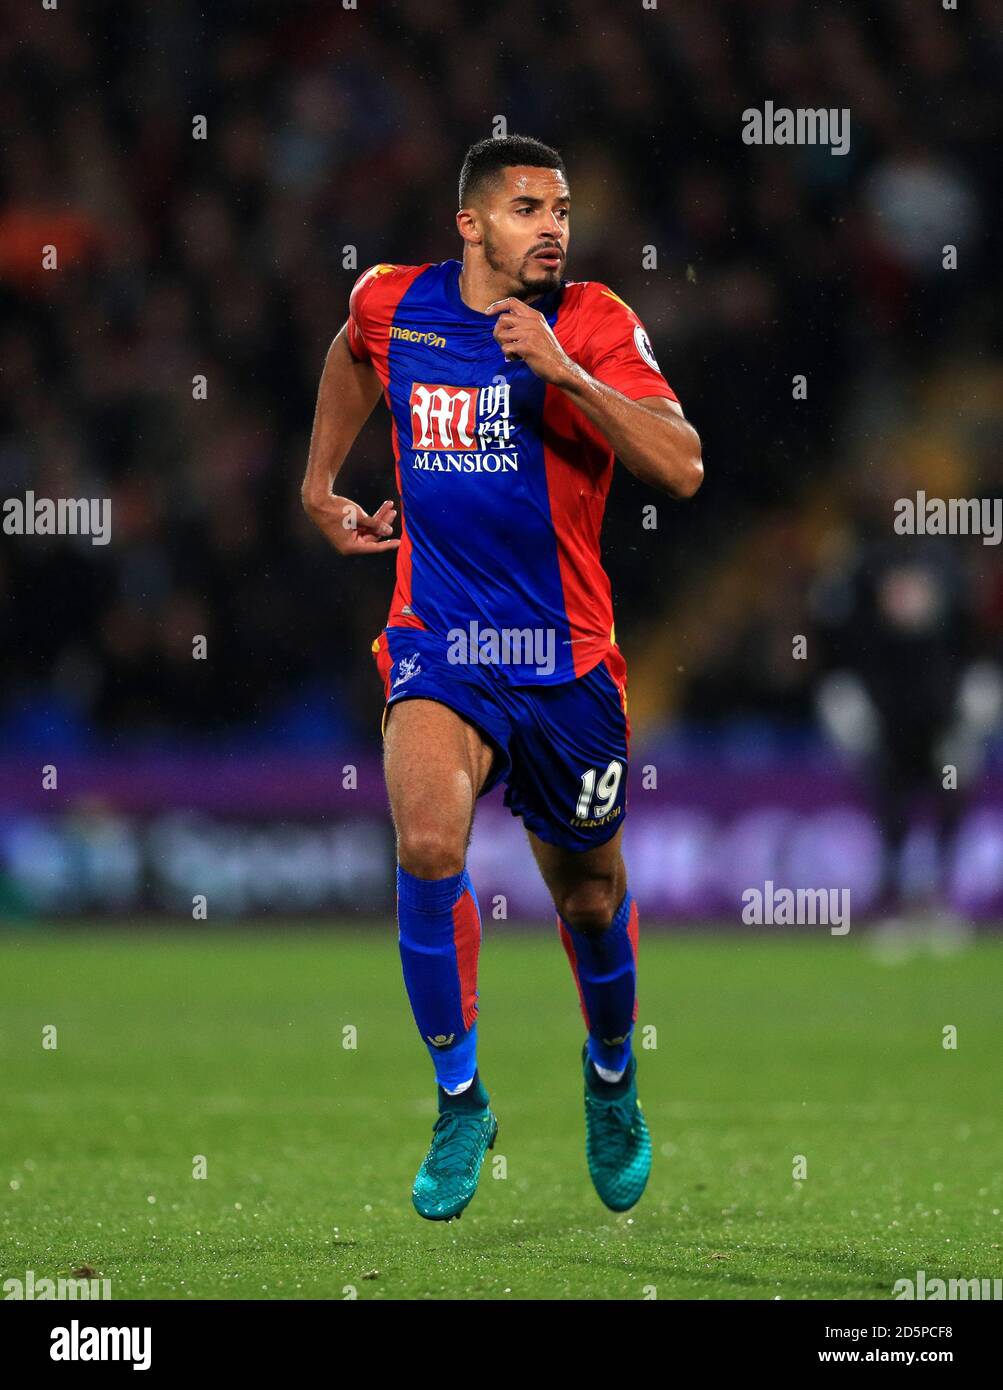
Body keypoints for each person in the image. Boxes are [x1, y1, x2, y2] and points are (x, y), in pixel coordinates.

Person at [302, 135, 702, 1221]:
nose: (555, 227)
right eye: (528, 207)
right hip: (442, 642)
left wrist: (562, 373)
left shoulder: (594, 322)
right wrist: (319, 482)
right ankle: (459, 1098)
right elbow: (349, 353)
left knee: (588, 894)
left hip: (565, 662)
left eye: (563, 207)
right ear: (471, 224)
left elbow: (682, 464)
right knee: (428, 843)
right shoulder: (396, 303)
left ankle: (611, 1077)